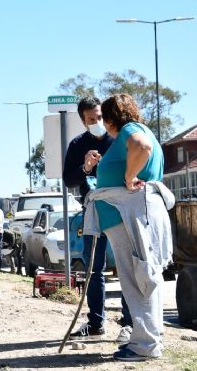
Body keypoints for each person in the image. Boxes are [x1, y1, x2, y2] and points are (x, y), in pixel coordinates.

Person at [83, 93, 173, 362]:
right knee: (144, 277)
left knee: (137, 279)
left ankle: (144, 345)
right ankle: (147, 340)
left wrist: (128, 176)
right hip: (133, 213)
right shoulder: (138, 131)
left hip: (129, 215)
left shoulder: (131, 131)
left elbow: (141, 147)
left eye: (104, 118)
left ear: (111, 118)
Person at [63, 97, 133, 342]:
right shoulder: (77, 145)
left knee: (127, 267)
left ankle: (130, 324)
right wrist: (84, 168)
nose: (97, 122)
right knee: (93, 268)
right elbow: (69, 181)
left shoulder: (119, 139)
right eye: (91, 119)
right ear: (83, 121)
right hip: (93, 211)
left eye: (100, 117)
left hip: (121, 210)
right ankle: (95, 323)